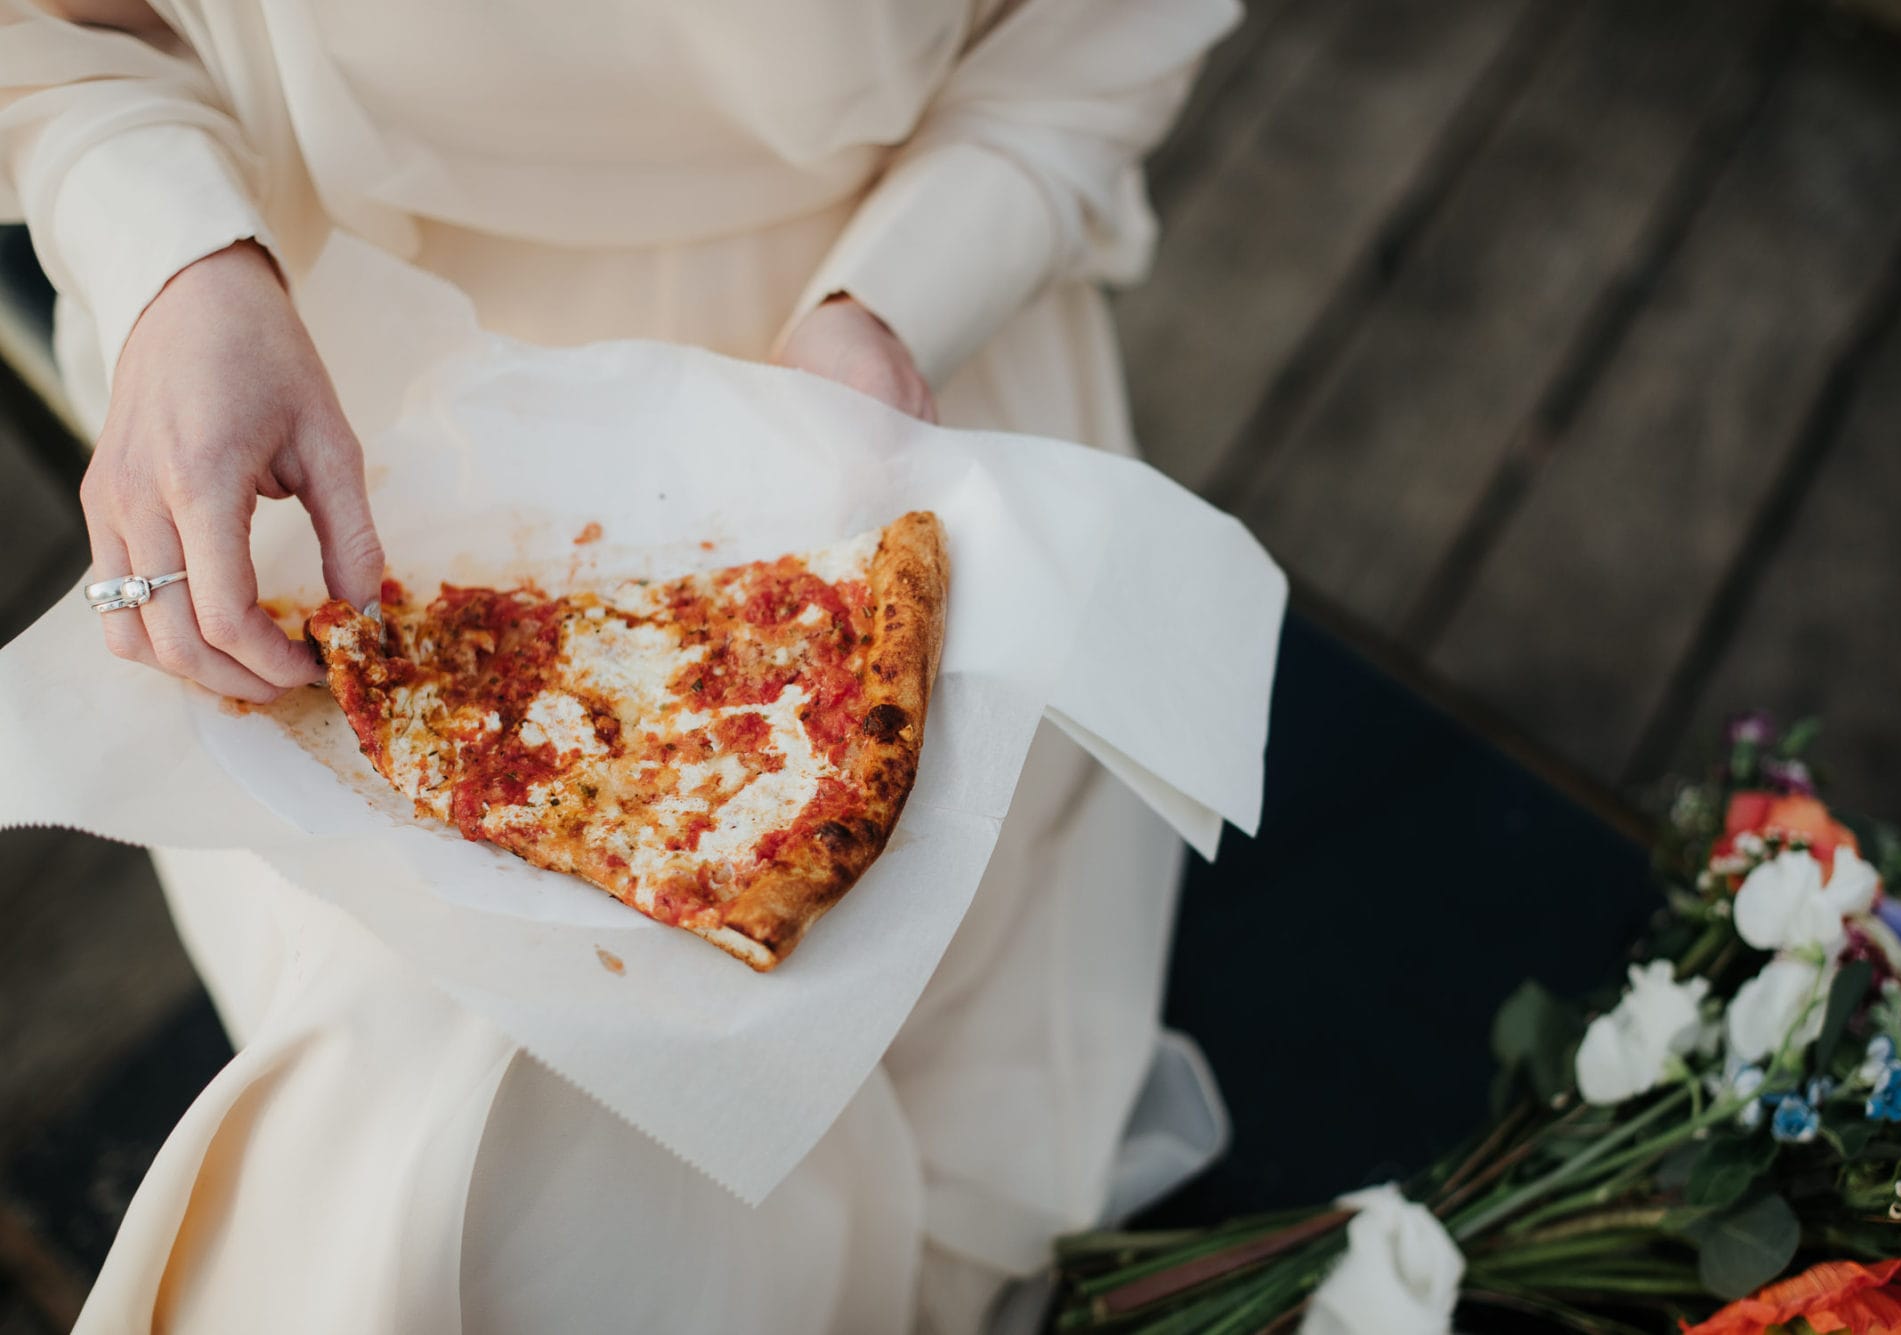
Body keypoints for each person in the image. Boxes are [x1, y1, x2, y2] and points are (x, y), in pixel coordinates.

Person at [0, 0, 1239, 1329]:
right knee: (439, 1100)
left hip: (871, 373)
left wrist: (889, 305)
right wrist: (178, 264)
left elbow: (1098, 43)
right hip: (331, 397)